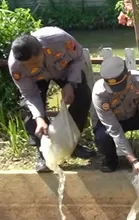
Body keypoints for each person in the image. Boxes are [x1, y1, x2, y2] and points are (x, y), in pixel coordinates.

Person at [8, 28, 96, 173]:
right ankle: (44, 154)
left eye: (35, 62)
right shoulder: (16, 66)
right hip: (36, 80)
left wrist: (71, 84)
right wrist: (40, 118)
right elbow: (30, 94)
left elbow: (78, 57)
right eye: (27, 65)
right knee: (31, 114)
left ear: (43, 50)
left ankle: (72, 145)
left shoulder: (59, 39)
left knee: (82, 97)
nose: (32, 67)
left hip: (64, 71)